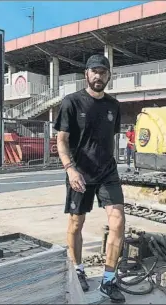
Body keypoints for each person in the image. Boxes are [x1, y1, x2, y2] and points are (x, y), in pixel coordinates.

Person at [54, 54, 126, 303]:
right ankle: (78, 269)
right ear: (86, 74)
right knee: (76, 223)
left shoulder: (114, 105)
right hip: (79, 172)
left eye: (103, 72)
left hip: (107, 172)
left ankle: (108, 280)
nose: (99, 76)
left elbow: (109, 139)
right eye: (94, 71)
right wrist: (70, 169)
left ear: (108, 76)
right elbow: (61, 140)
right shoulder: (71, 102)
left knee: (117, 221)